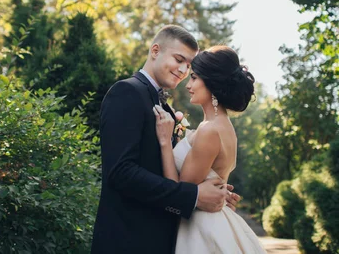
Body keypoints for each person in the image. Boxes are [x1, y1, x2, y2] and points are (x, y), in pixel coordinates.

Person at [91, 26, 241, 254]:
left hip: (164, 241)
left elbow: (175, 173)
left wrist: (215, 192)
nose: (183, 70)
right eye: (179, 59)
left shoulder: (168, 111)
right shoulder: (126, 92)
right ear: (155, 50)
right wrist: (195, 196)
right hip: (128, 241)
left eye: (189, 66)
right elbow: (121, 172)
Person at [154, 45, 267, 253]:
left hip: (202, 230)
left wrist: (164, 143)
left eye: (195, 77)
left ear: (213, 83)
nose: (189, 84)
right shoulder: (224, 128)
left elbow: (178, 193)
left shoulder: (210, 131)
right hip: (214, 220)